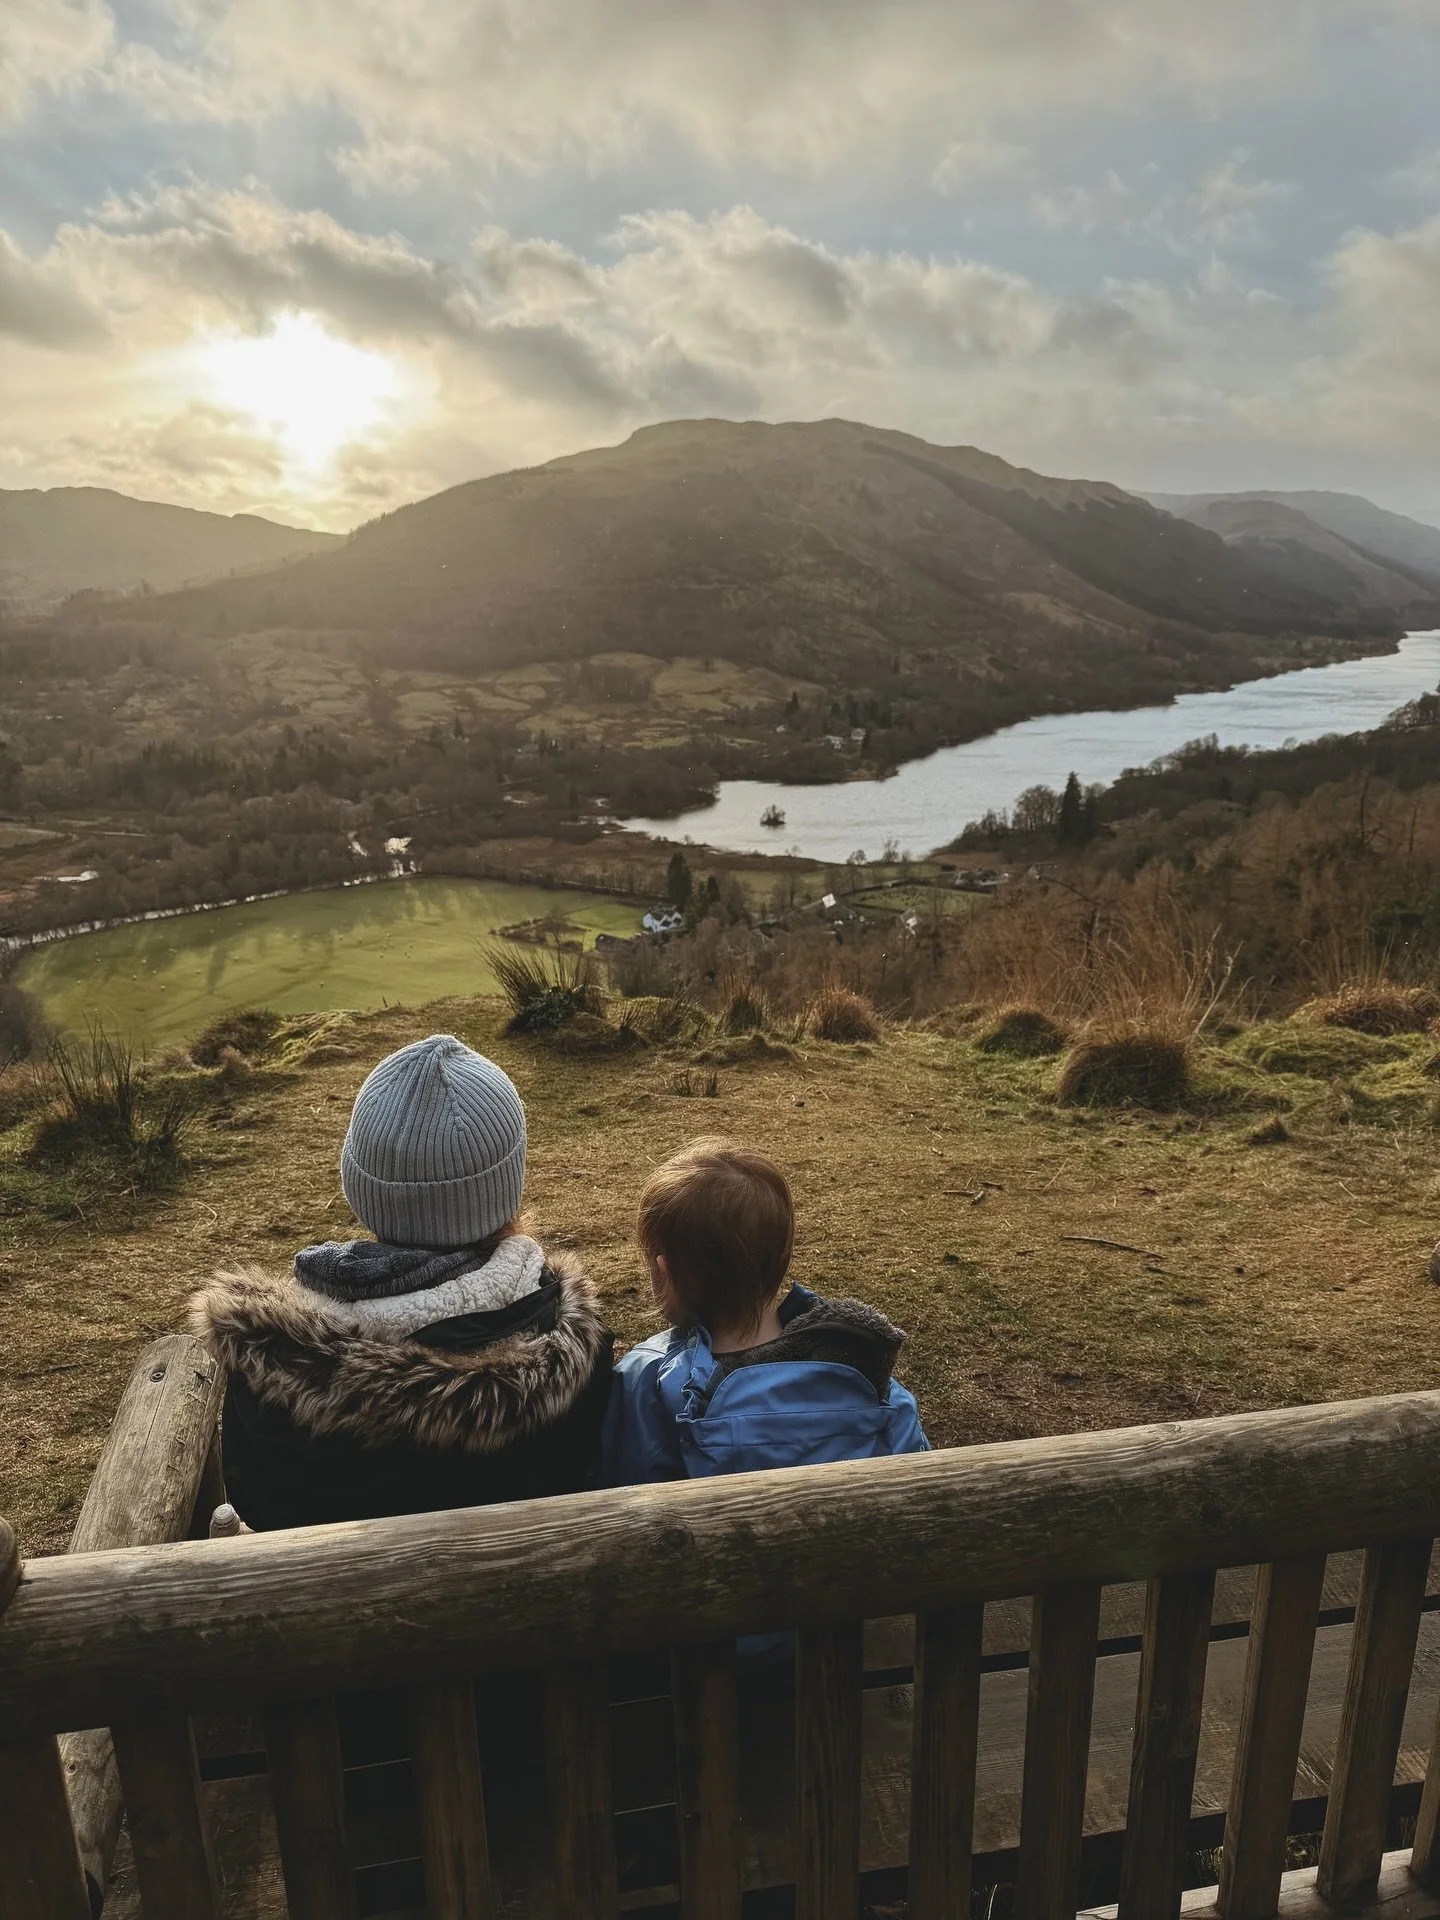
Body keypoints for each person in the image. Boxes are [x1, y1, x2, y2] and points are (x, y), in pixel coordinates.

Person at [192, 1033, 613, 1530]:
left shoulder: (268, 1365)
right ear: (510, 1184)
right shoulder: (577, 1354)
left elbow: (253, 1501)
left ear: (358, 1184)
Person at [602, 1136, 927, 1486]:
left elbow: (617, 1486)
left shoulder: (650, 1380)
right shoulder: (863, 1371)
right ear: (780, 1261)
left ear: (664, 1272)